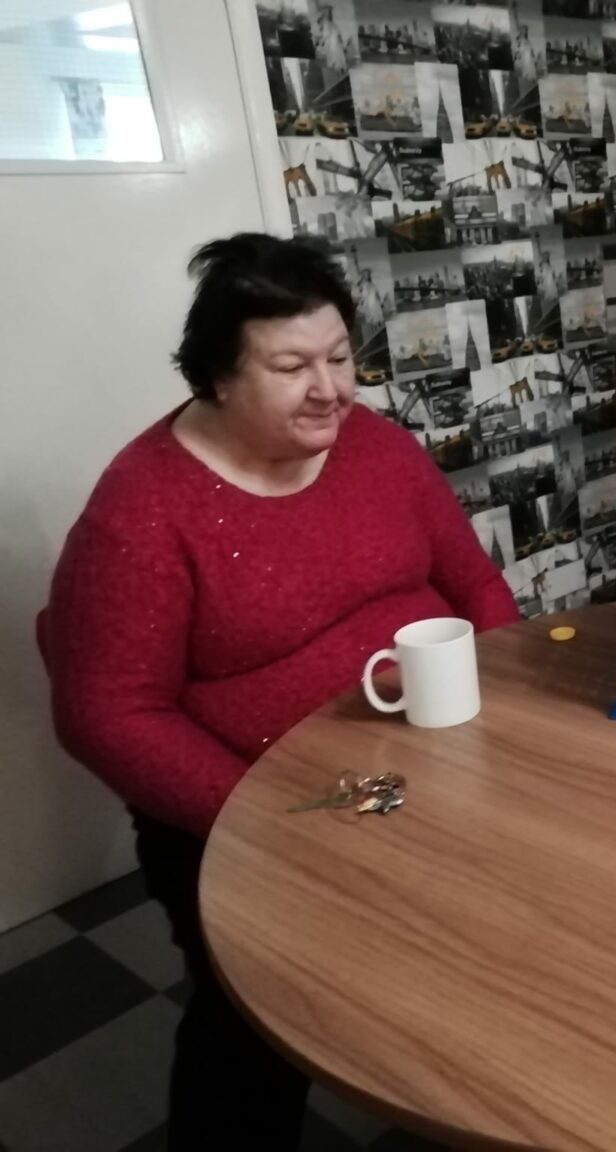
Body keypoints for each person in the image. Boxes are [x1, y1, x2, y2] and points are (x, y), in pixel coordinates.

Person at [44, 233, 517, 1151]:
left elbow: (474, 583)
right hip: (253, 807)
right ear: (218, 378)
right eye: (292, 367)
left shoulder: (377, 447)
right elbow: (105, 713)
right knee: (257, 1028)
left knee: (499, 937)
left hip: (425, 765)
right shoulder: (142, 510)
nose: (331, 389)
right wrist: (272, 816)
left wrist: (502, 706)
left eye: (339, 357)